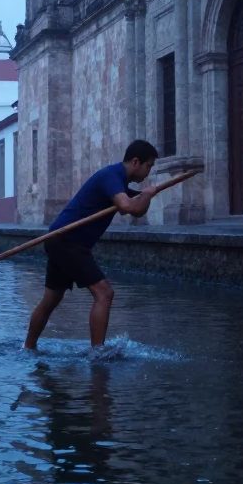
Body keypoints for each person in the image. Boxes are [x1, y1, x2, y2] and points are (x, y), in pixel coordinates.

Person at [23, 140, 160, 350]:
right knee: (104, 293)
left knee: (51, 299)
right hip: (68, 239)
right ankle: (98, 353)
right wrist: (147, 194)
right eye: (148, 166)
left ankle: (28, 347)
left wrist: (147, 195)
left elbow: (136, 210)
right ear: (135, 162)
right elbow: (126, 206)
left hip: (59, 239)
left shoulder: (119, 184)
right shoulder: (112, 176)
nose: (147, 173)